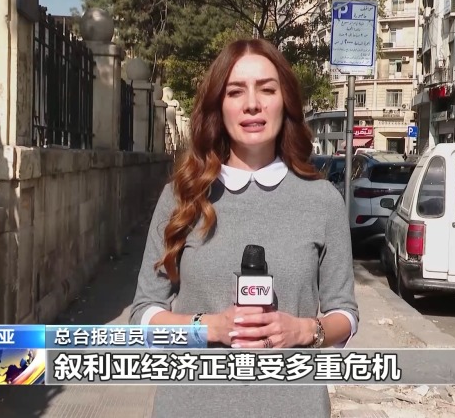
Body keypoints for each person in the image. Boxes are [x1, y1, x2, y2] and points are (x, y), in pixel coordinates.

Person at [129, 39, 359, 417]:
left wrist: (304, 331)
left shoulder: (323, 200)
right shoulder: (182, 196)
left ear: (285, 101)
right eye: (236, 91)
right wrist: (209, 327)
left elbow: (344, 315)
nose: (252, 104)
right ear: (219, 105)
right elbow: (144, 315)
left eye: (266, 89)